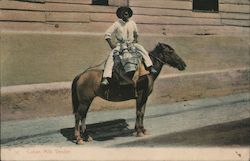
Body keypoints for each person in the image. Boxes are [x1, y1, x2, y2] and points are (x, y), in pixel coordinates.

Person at [101, 6, 156, 85]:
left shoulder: (132, 23)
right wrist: (111, 45)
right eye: (123, 13)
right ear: (121, 14)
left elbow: (136, 33)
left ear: (129, 14)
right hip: (120, 45)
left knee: (142, 49)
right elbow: (107, 34)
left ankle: (150, 67)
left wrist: (135, 40)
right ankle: (106, 78)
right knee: (111, 56)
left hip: (131, 44)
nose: (125, 14)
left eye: (126, 13)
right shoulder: (117, 24)